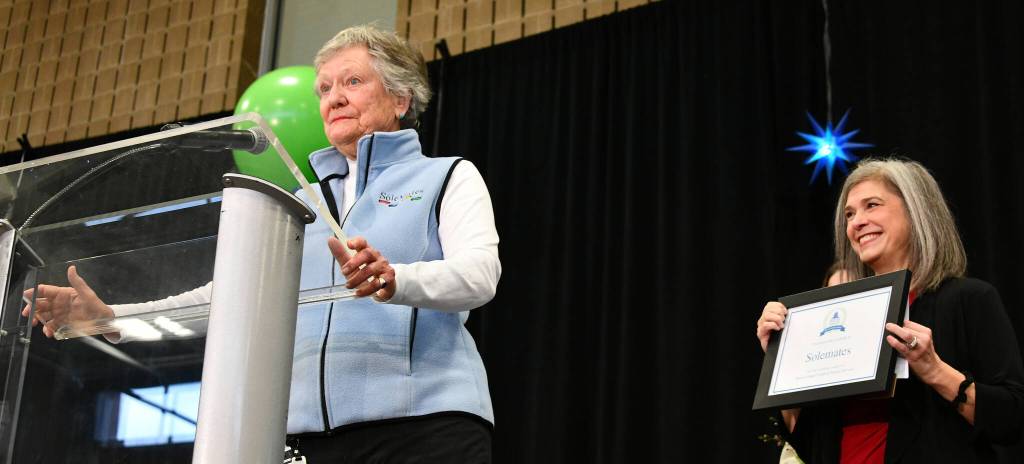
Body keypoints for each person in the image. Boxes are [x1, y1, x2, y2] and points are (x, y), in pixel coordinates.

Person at [26, 25, 501, 462]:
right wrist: (114, 318)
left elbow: (479, 276)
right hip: (305, 441)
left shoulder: (448, 176)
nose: (333, 98)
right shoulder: (298, 202)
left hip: (424, 430)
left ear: (400, 98)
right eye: (325, 88)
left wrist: (395, 279)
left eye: (352, 82)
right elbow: (232, 295)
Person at [756, 158, 1024, 463]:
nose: (856, 222)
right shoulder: (847, 315)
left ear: (915, 210)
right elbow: (807, 443)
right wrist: (783, 360)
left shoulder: (969, 299)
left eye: (872, 205)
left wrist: (935, 370)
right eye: (849, 214)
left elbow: (1011, 420)